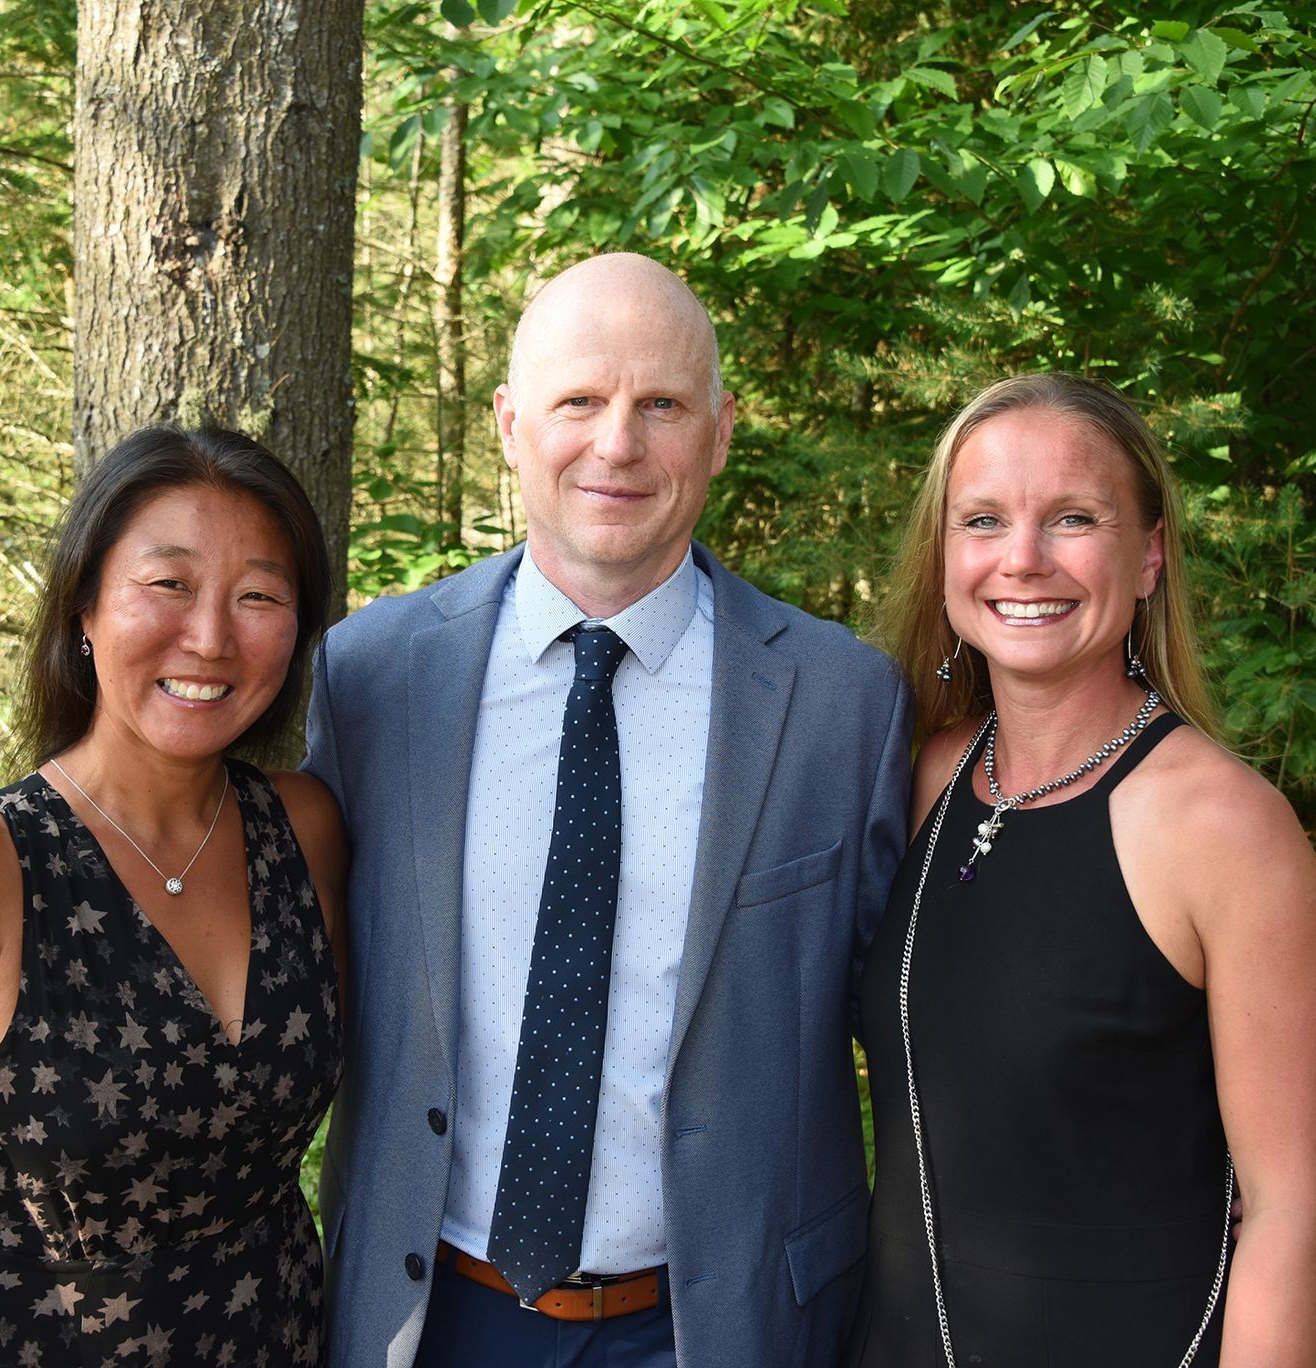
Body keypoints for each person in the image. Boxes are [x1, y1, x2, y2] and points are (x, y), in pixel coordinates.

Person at [305, 253, 913, 1366]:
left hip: (718, 1326)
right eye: (579, 400)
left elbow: (925, 1030)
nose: (618, 443)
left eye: (662, 405)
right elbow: (270, 965)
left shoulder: (842, 705)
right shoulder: (375, 678)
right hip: (429, 1319)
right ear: (509, 425)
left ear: (720, 433)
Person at [848, 374, 1316, 1366]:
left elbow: (1292, 1212)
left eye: (1073, 517)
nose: (1023, 558)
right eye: (983, 520)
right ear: (944, 558)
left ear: (1149, 555)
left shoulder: (1227, 829)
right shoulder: (925, 777)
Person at [0, 427, 348, 1367]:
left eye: (258, 596)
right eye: (169, 583)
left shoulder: (303, 832)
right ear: (84, 609)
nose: (211, 637)